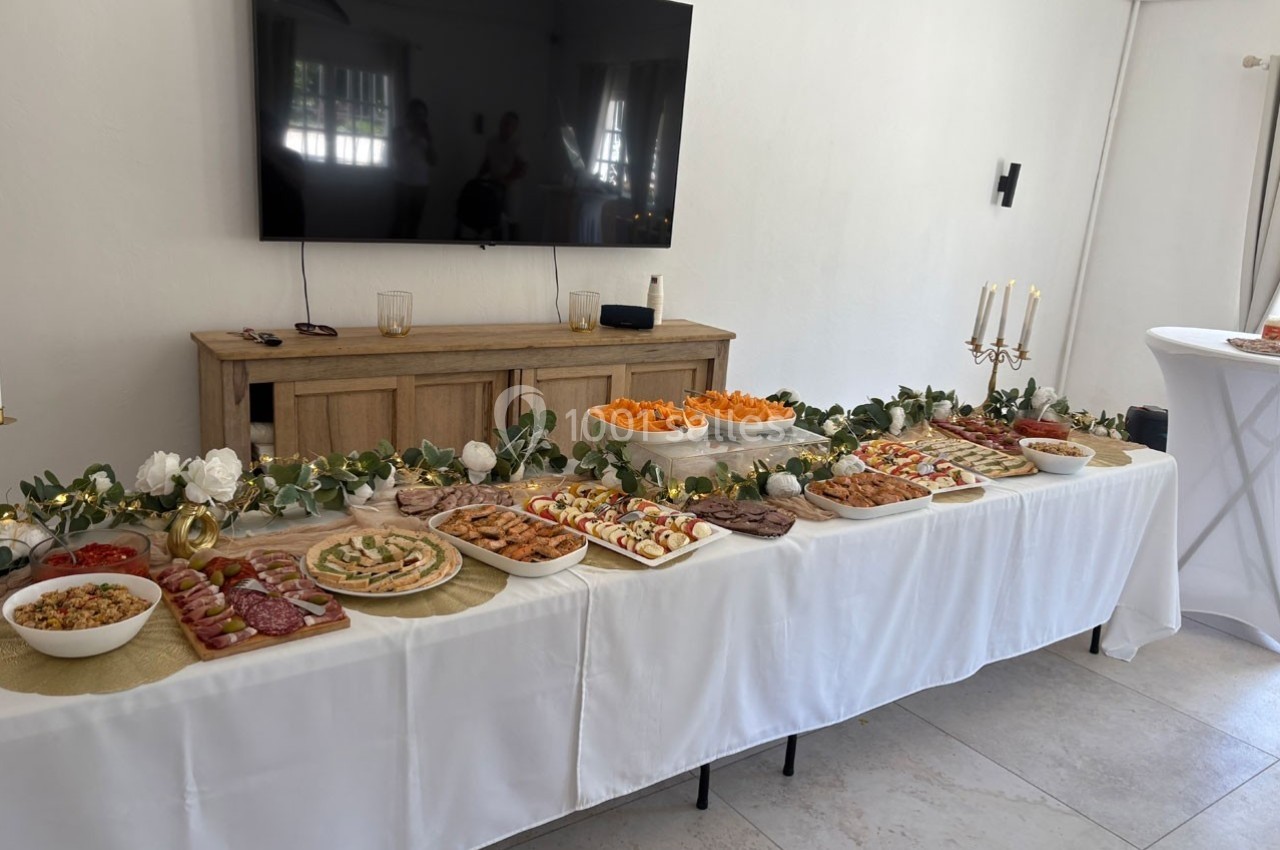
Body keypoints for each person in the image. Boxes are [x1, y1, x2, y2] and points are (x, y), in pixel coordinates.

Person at [390, 99, 438, 239]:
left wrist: (429, 142)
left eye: (423, 115)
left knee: (414, 224)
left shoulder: (426, 135)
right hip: (403, 182)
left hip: (421, 184)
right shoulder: (399, 131)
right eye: (416, 114)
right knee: (399, 221)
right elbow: (396, 155)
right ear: (409, 115)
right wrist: (413, 139)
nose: (420, 118)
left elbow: (434, 161)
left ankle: (411, 250)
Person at [477, 111, 528, 240]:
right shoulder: (492, 142)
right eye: (503, 122)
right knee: (494, 221)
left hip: (511, 188)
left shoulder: (518, 144)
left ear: (515, 127)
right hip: (494, 186)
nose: (504, 126)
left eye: (508, 124)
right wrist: (478, 177)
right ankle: (496, 248)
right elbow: (488, 162)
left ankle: (515, 248)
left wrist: (506, 180)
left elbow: (522, 168)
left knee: (512, 222)